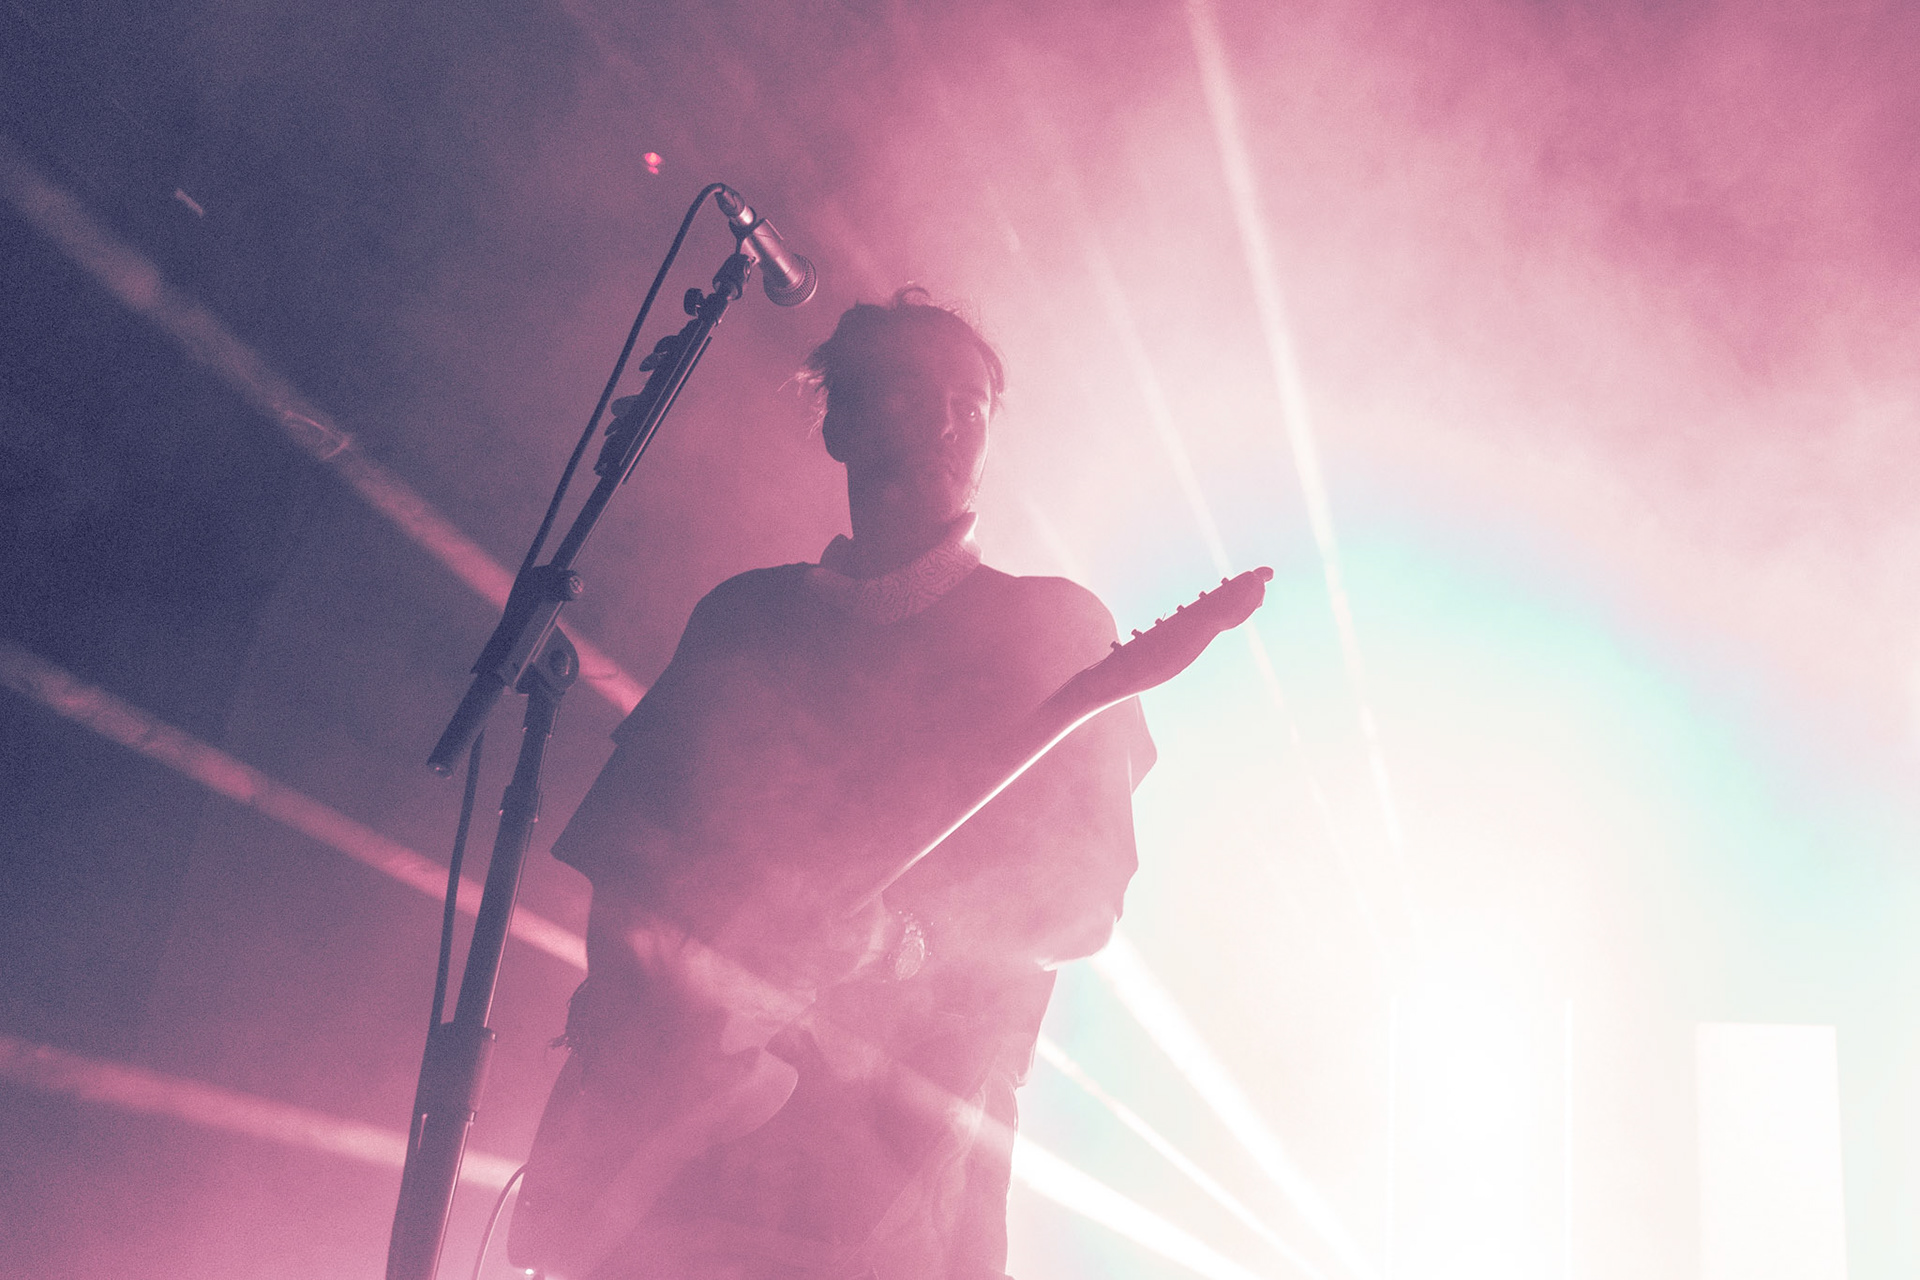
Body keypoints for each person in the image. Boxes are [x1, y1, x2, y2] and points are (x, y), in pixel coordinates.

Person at [513, 288, 1155, 1280]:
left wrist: (908, 939)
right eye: (911, 391)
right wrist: (649, 1031)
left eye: (972, 402)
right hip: (676, 1161)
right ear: (838, 423)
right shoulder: (743, 617)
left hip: (900, 1164)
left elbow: (1085, 899)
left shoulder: (1051, 626)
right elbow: (628, 857)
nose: (948, 422)